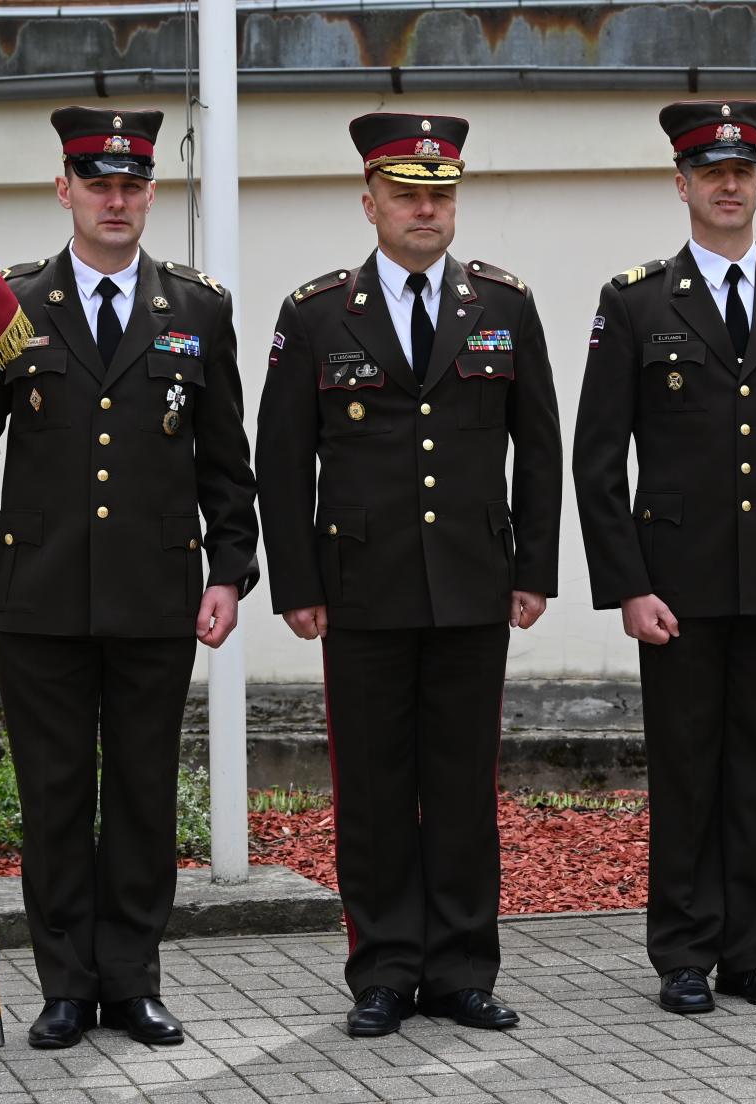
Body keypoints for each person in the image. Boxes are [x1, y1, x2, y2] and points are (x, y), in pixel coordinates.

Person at [0, 106, 259, 1049]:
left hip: (157, 596)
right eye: (97, 183)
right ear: (63, 189)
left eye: (132, 185)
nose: (116, 200)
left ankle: (133, 981)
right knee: (57, 796)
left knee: (146, 796)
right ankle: (66, 985)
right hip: (39, 600)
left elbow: (224, 458)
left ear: (152, 193)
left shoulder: (198, 308)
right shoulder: (11, 305)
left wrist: (231, 569)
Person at [256, 112, 562, 1037]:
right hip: (362, 589)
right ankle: (384, 971)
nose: (425, 210)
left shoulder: (504, 306)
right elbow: (281, 460)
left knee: (465, 786)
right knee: (377, 789)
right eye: (406, 194)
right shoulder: (315, 313)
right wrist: (298, 584)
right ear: (370, 203)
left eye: (440, 195)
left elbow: (538, 449)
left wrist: (534, 569)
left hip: (473, 583)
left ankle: (464, 969)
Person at [574, 100, 756, 1014]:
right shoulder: (636, 300)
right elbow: (595, 457)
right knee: (687, 768)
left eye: (742, 172)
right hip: (679, 584)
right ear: (682, 184)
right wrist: (627, 584)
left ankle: (752, 949)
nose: (728, 186)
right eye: (711, 172)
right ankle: (685, 955)